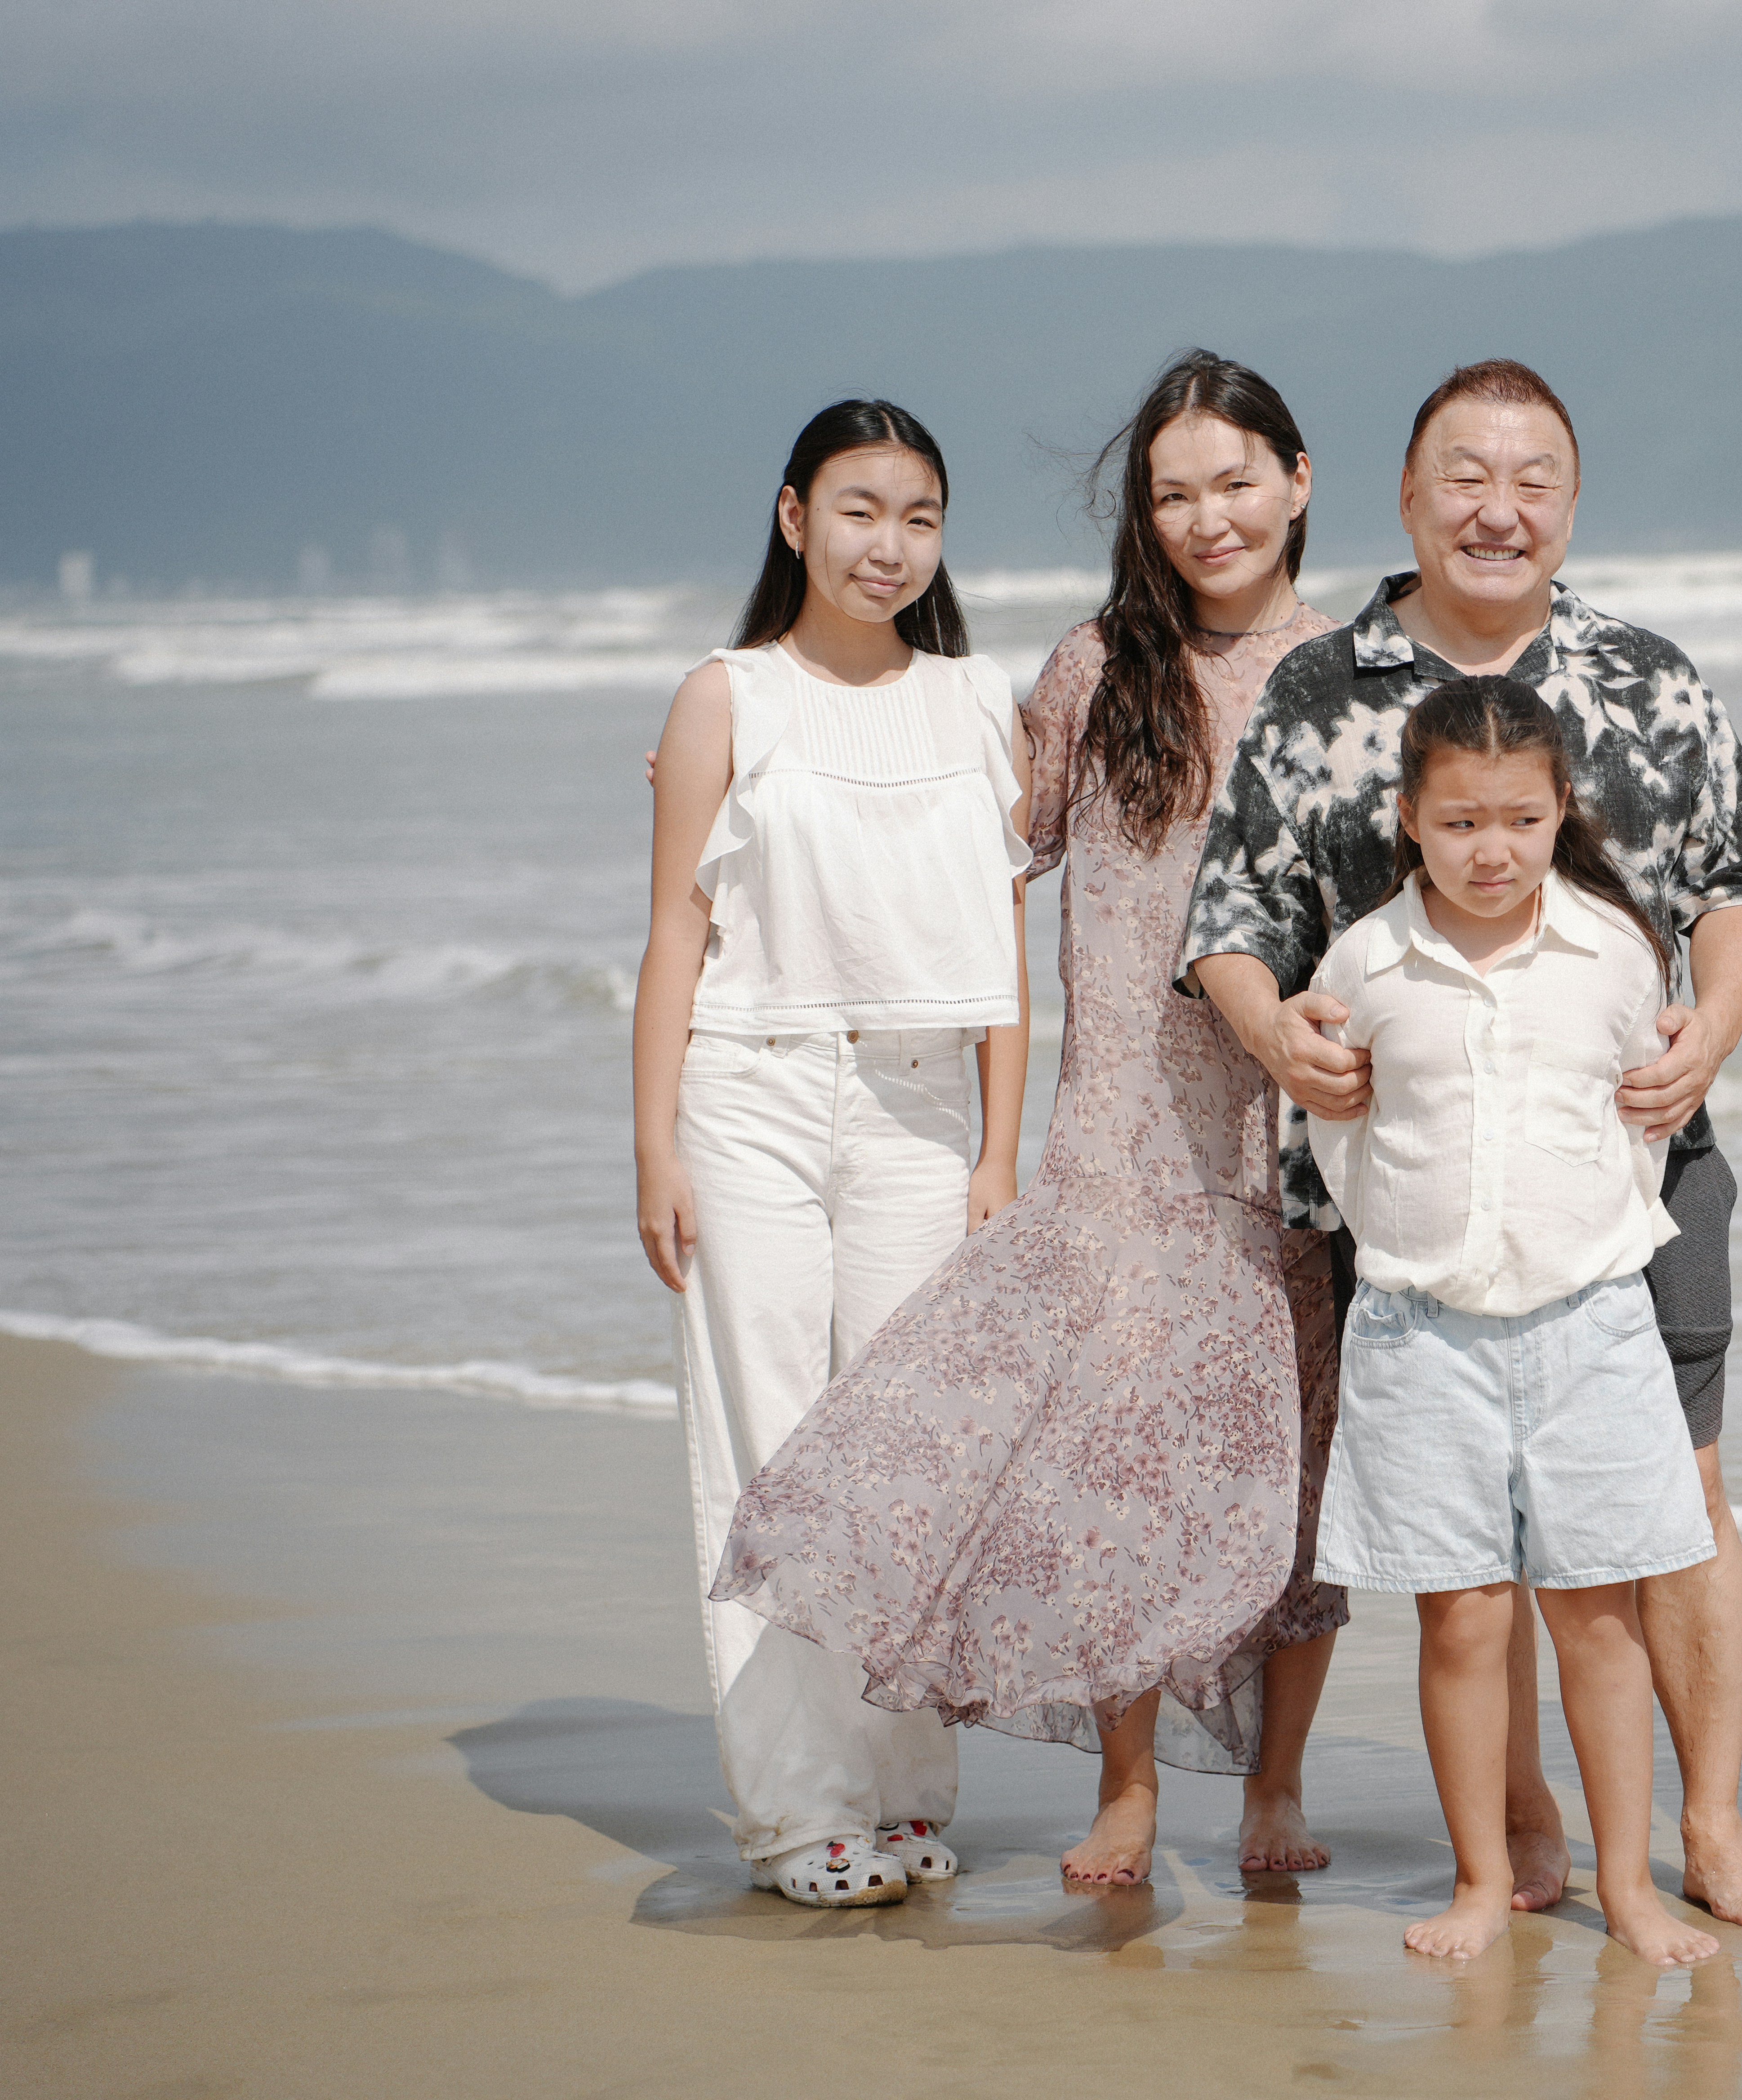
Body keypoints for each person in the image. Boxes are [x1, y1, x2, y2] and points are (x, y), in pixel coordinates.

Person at [1182, 358, 1742, 1930]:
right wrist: (1277, 1038)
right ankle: (1516, 1828)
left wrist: (1709, 1034)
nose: (1498, 505)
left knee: (1673, 1501)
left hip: (1636, 1177)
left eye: (1534, 476)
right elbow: (1235, 920)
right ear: (1403, 497)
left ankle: (1710, 1830)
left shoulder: (1650, 678)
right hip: (1403, 1201)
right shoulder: (1320, 691)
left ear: (1572, 504)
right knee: (1472, 1547)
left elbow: (1741, 883)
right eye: (1465, 472)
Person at [709, 352, 1352, 1883]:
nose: (1206, 517)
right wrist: (742, 790)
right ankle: (1123, 1791)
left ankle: (1276, 1786)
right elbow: (978, 851)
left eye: (1233, 481)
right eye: (1172, 491)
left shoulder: (1353, 670)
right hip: (1127, 1135)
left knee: (1297, 1480)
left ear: (1297, 480)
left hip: (1312, 1141)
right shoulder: (1091, 666)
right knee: (1116, 1469)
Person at [631, 399, 1031, 1908]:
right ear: (793, 515)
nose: (890, 545)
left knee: (916, 1457)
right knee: (769, 1450)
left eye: (920, 516)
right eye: (858, 510)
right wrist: (653, 1140)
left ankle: (907, 1792)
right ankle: (801, 1818)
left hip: (925, 1109)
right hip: (749, 1093)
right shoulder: (725, 696)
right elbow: (676, 931)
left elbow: (1003, 943)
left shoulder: (978, 697)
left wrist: (1000, 1150)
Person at [1306, 676, 1724, 1968]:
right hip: (1421, 1330)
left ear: (1560, 816)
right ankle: (1484, 1878)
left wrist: (1573, 1242)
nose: (1494, 851)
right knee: (1464, 1618)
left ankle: (1630, 1887)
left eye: (1523, 822)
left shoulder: (1614, 947)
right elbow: (1342, 1136)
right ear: (1411, 820)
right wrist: (1422, 1253)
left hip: (1591, 1322)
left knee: (1600, 1613)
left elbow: (1645, 1120)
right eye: (1462, 823)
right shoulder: (1367, 959)